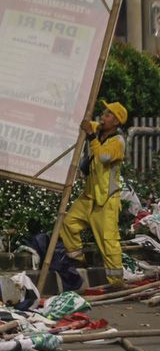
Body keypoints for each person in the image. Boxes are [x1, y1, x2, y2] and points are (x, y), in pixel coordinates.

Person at [60, 100, 128, 288]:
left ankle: (116, 281)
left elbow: (103, 157)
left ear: (116, 121)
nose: (103, 117)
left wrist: (91, 136)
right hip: (89, 195)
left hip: (106, 199)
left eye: (108, 114)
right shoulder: (100, 131)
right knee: (68, 223)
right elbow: (89, 124)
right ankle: (78, 259)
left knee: (108, 241)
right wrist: (86, 124)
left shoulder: (118, 142)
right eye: (104, 113)